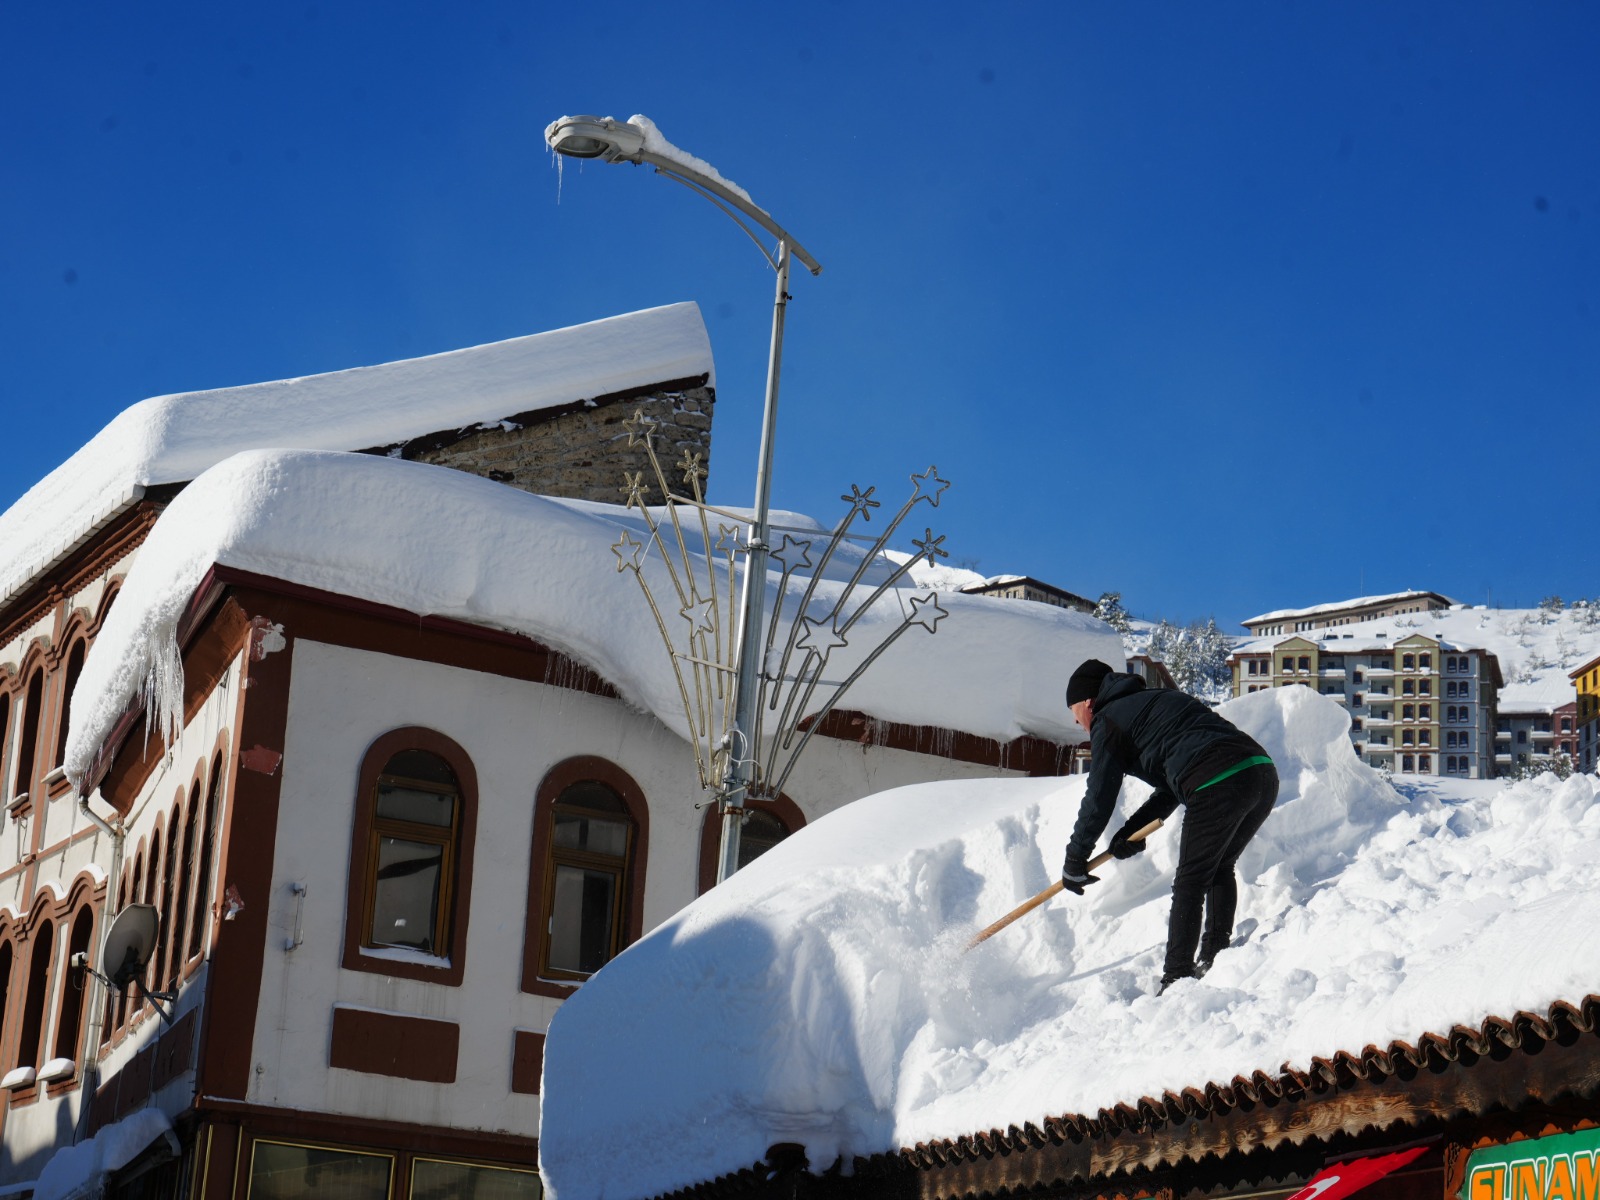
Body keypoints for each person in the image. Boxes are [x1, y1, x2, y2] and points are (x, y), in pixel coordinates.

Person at [1060, 659, 1278, 992]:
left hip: (1217, 777)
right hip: (1259, 771)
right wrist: (1129, 831)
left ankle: (1176, 977)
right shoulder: (1156, 702)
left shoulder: (1108, 720)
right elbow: (1173, 786)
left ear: (1088, 702)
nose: (1077, 722)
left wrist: (1075, 857)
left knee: (1191, 880)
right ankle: (1214, 956)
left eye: (1074, 710)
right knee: (1219, 866)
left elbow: (1099, 797)